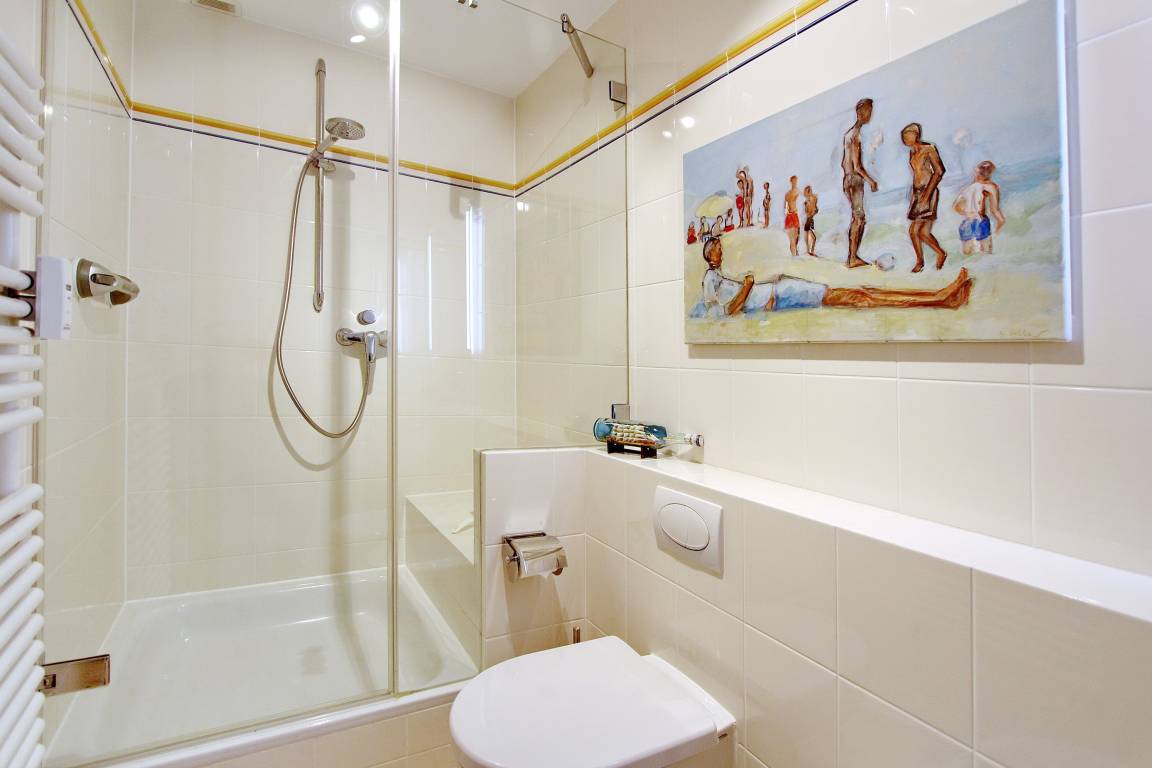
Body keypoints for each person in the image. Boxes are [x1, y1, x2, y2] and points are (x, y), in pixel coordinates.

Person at [692, 236, 972, 318]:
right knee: (858, 297)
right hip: (781, 297)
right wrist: (747, 286)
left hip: (782, 290)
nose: (721, 252)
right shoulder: (711, 280)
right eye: (717, 249)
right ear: (709, 254)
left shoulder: (717, 276)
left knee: (862, 291)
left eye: (720, 248)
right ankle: (939, 298)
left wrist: (754, 284)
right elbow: (727, 311)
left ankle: (941, 297)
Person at [902, 122, 948, 272]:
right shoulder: (912, 153)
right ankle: (940, 253)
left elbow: (939, 171)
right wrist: (916, 196)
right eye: (903, 135)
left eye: (907, 135)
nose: (904, 138)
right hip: (917, 193)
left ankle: (920, 262)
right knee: (923, 232)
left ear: (916, 135)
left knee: (914, 231)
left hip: (929, 191)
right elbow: (917, 174)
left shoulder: (929, 149)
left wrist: (927, 195)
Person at [842, 98, 880, 268]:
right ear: (859, 113)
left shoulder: (848, 134)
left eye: (870, 111)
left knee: (859, 218)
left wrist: (847, 178)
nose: (870, 115)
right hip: (855, 180)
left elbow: (843, 163)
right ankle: (852, 258)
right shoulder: (855, 136)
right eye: (868, 111)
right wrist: (871, 181)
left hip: (848, 179)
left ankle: (853, 256)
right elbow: (857, 166)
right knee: (858, 219)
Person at [953, 160, 1005, 254]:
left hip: (966, 224)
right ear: (989, 173)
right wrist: (1001, 222)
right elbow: (994, 210)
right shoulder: (990, 186)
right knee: (985, 256)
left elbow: (955, 207)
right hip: (980, 222)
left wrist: (969, 213)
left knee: (969, 257)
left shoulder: (968, 189)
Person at [783, 176, 801, 257]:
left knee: (797, 236)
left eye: (796, 181)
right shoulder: (788, 193)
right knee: (792, 238)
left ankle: (795, 251)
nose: (795, 182)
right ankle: (794, 255)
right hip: (790, 215)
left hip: (795, 214)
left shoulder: (797, 191)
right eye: (794, 181)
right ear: (791, 181)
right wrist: (787, 212)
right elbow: (786, 205)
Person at [803, 185, 819, 257]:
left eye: (806, 192)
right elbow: (811, 211)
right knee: (812, 237)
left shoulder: (811, 199)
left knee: (810, 236)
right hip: (809, 219)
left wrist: (812, 213)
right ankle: (810, 251)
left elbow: (814, 210)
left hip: (809, 219)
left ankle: (809, 251)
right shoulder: (809, 200)